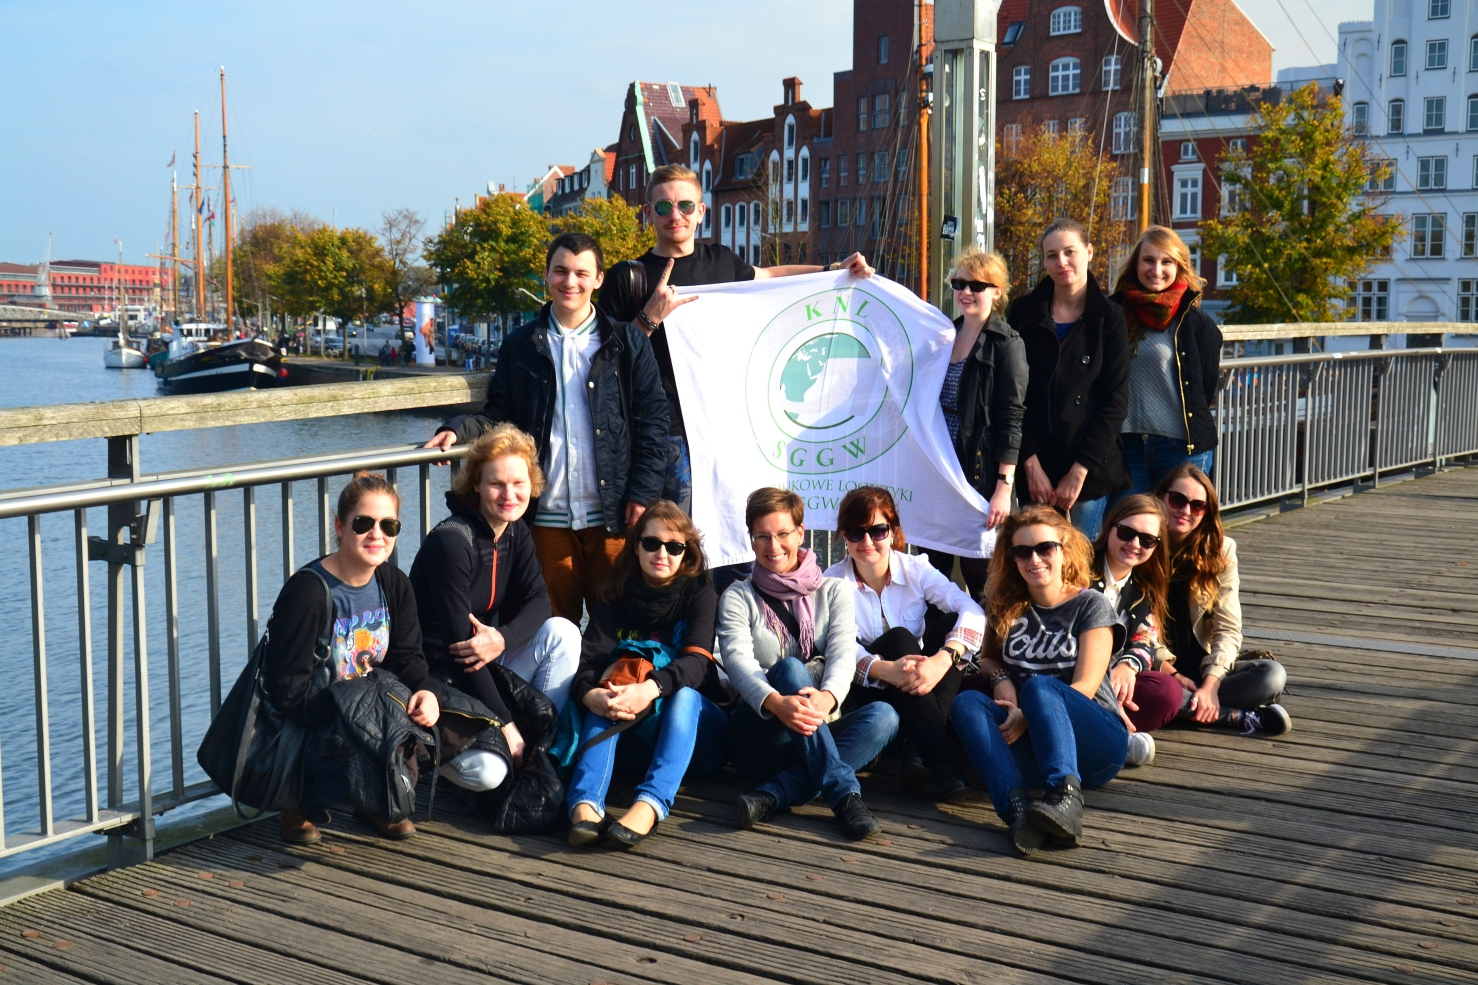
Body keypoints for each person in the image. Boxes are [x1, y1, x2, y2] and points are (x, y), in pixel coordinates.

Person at [424, 232, 670, 622]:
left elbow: (655, 421)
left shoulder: (628, 343)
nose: (570, 282)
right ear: (546, 275)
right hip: (545, 520)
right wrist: (459, 429)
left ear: (599, 279)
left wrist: (641, 492)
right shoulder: (521, 345)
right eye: (560, 271)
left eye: (581, 273)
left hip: (614, 516)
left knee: (619, 630)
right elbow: (500, 416)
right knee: (554, 631)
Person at [263, 471, 442, 844]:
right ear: (340, 526)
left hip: (372, 711)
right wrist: (352, 718)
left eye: (388, 525)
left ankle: (376, 801)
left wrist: (424, 690)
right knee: (361, 736)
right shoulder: (308, 594)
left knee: (427, 726)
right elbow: (286, 689)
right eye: (364, 523)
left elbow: (408, 656)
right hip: (315, 719)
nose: (377, 534)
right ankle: (298, 800)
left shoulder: (394, 584)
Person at [410, 424, 582, 794]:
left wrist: (502, 639)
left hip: (485, 663)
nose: (509, 495)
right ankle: (438, 755)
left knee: (563, 633)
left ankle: (538, 748)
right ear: (475, 484)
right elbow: (461, 653)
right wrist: (506, 724)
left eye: (518, 483)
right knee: (489, 774)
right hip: (439, 680)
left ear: (532, 484)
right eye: (496, 484)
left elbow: (540, 601)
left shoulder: (514, 530)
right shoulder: (452, 543)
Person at [719, 488, 895, 840]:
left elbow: (845, 654)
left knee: (886, 716)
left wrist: (828, 698)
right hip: (760, 735)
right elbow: (737, 661)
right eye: (763, 537)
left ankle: (775, 793)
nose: (774, 546)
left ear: (800, 533)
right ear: (751, 541)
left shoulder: (834, 591)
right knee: (789, 670)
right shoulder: (738, 595)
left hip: (818, 722)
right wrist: (776, 702)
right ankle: (844, 794)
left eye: (783, 534)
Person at [951, 505, 1129, 856]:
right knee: (967, 703)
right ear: (1013, 559)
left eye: (1045, 548)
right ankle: (1018, 812)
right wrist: (1001, 678)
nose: (1035, 559)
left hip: (1095, 741)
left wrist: (1026, 714)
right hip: (1035, 746)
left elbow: (1085, 688)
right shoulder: (1006, 606)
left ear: (1064, 549)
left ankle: (1065, 799)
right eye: (1022, 551)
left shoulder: (1090, 605)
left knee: (1039, 686)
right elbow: (988, 658)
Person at [565, 501, 727, 849]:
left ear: (687, 553)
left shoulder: (699, 594)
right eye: (651, 543)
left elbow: (697, 664)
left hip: (698, 739)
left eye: (674, 546)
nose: (661, 553)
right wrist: (587, 694)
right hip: (634, 738)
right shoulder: (614, 594)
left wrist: (650, 689)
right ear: (636, 545)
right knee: (608, 694)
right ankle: (585, 805)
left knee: (682, 694)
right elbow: (589, 660)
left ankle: (651, 803)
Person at [823, 485, 983, 802]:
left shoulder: (916, 568)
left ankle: (917, 745)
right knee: (899, 639)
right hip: (867, 687)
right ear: (844, 536)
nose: (867, 542)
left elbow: (972, 610)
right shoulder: (831, 582)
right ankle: (943, 762)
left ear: (894, 531)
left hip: (918, 681)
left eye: (878, 530)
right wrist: (884, 669)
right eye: (856, 532)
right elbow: (835, 648)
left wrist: (942, 660)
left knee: (952, 629)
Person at [1008, 218, 1130, 541]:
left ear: (1089, 252)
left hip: (1088, 466)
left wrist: (1080, 471)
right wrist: (1029, 463)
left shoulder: (1111, 317)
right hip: (1036, 463)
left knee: (1077, 564)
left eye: (1069, 252)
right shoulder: (1024, 312)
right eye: (1051, 255)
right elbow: (1012, 394)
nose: (1061, 262)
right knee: (1035, 556)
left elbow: (1114, 402)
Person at [1155, 464, 1291, 734]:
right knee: (1155, 692)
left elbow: (1228, 628)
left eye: (1197, 506)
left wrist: (1211, 684)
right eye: (1177, 500)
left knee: (1272, 675)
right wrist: (1171, 673)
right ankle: (1235, 717)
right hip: (1158, 671)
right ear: (1159, 498)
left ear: (1207, 513)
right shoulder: (1140, 544)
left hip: (1203, 669)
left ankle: (1193, 705)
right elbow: (1136, 632)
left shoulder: (1221, 552)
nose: (1185, 510)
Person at [927, 248, 1028, 600]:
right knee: (932, 570)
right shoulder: (944, 336)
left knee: (980, 573)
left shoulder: (1007, 343)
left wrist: (1003, 485)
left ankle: (990, 650)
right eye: (959, 283)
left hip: (978, 473)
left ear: (997, 292)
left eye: (977, 285)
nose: (966, 292)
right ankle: (941, 647)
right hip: (941, 470)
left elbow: (1011, 418)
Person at [1110, 226, 1222, 496]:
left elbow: (1203, 388)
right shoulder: (1112, 313)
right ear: (1136, 264)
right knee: (1131, 531)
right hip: (1127, 446)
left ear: (1179, 266)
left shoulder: (1195, 323)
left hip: (1180, 448)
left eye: (1166, 262)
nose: (1156, 269)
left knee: (1180, 533)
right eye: (1148, 260)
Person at [1088, 494, 1184, 764]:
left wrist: (1129, 666)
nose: (1134, 544)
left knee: (1167, 691)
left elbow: (1146, 640)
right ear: (1110, 527)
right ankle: (1113, 735)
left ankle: (1104, 731)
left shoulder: (1146, 585)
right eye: (1126, 532)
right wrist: (1105, 684)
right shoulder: (1078, 568)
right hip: (1069, 675)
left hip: (1116, 678)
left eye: (1147, 540)